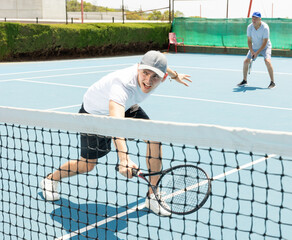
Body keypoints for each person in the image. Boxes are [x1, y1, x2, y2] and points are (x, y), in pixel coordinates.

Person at [41, 50, 191, 216]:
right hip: (94, 115)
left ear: (162, 78)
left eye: (154, 76)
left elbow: (163, 67)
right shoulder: (123, 85)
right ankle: (50, 179)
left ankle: (152, 195)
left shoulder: (158, 73)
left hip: (126, 106)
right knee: (87, 165)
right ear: (138, 68)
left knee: (154, 138)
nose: (148, 80)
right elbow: (115, 124)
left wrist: (175, 75)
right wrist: (124, 158)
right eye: (145, 73)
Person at [238, 12, 275, 89]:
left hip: (265, 47)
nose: (254, 20)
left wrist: (257, 53)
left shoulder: (265, 27)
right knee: (246, 61)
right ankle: (244, 80)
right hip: (254, 47)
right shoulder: (249, 27)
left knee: (267, 61)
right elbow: (249, 41)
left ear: (260, 19)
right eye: (253, 18)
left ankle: (272, 82)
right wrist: (252, 51)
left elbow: (264, 42)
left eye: (256, 18)